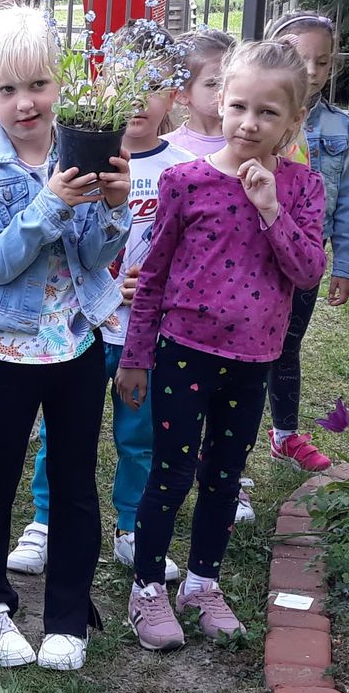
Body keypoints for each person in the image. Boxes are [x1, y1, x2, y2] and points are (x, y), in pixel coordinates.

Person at [118, 39, 328, 650]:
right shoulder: (185, 181)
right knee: (171, 472)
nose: (250, 123)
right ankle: (147, 589)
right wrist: (136, 356)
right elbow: (153, 275)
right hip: (184, 350)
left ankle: (202, 584)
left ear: (293, 121)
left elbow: (307, 271)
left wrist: (270, 209)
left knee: (224, 476)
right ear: (219, 103)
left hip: (253, 359)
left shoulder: (302, 188)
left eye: (268, 112)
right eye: (239, 107)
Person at [0, 7, 131, 671]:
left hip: (77, 347)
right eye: (7, 90)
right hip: (7, 352)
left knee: (76, 481)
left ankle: (67, 617)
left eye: (38, 85)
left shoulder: (81, 152)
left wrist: (114, 207)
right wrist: (50, 202)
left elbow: (96, 257)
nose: (25, 103)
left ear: (61, 84)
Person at [9, 23, 199, 578]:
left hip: (148, 332)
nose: (137, 99)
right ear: (101, 83)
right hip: (82, 326)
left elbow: (197, 248)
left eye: (153, 84)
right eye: (125, 81)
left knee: (139, 435)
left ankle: (131, 527)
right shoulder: (78, 155)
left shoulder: (182, 166)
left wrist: (162, 285)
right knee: (62, 431)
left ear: (174, 95)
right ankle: (45, 522)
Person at [264, 12, 349, 475]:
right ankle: (220, 441)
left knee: (287, 347)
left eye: (322, 62)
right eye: (300, 58)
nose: (311, 70)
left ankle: (284, 434)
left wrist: (343, 264)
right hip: (253, 257)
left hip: (304, 257)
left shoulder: (340, 127)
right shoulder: (255, 117)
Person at [165, 27, 233, 159]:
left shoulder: (247, 139)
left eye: (231, 81)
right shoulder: (169, 147)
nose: (225, 90)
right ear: (181, 94)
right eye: (212, 83)